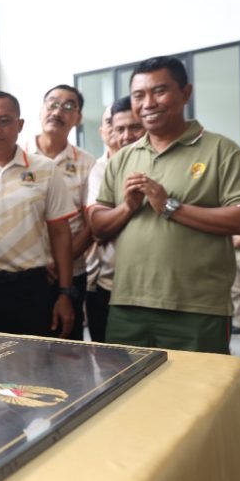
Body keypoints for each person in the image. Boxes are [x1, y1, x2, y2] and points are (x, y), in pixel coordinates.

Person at [89, 56, 240, 353]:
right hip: (127, 304)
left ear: (185, 93)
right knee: (130, 392)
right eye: (139, 95)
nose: (148, 103)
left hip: (198, 306)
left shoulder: (221, 150)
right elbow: (97, 225)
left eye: (159, 91)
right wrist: (127, 208)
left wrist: (171, 207)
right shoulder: (122, 157)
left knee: (199, 396)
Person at [0, 91, 75, 337]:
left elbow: (60, 233)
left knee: (32, 367)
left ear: (19, 125)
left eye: (4, 120)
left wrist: (65, 292)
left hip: (30, 288)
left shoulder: (45, 170)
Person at [24, 85, 95, 340]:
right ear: (41, 110)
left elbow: (91, 226)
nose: (58, 112)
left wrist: (59, 263)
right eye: (52, 104)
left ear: (78, 118)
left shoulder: (87, 164)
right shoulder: (17, 153)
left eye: (68, 107)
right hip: (24, 274)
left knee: (67, 353)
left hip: (71, 275)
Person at [85, 96, 145, 342]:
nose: (126, 135)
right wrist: (129, 207)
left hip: (166, 286)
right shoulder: (100, 169)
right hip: (111, 283)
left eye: (134, 127)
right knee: (112, 365)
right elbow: (98, 228)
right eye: (118, 127)